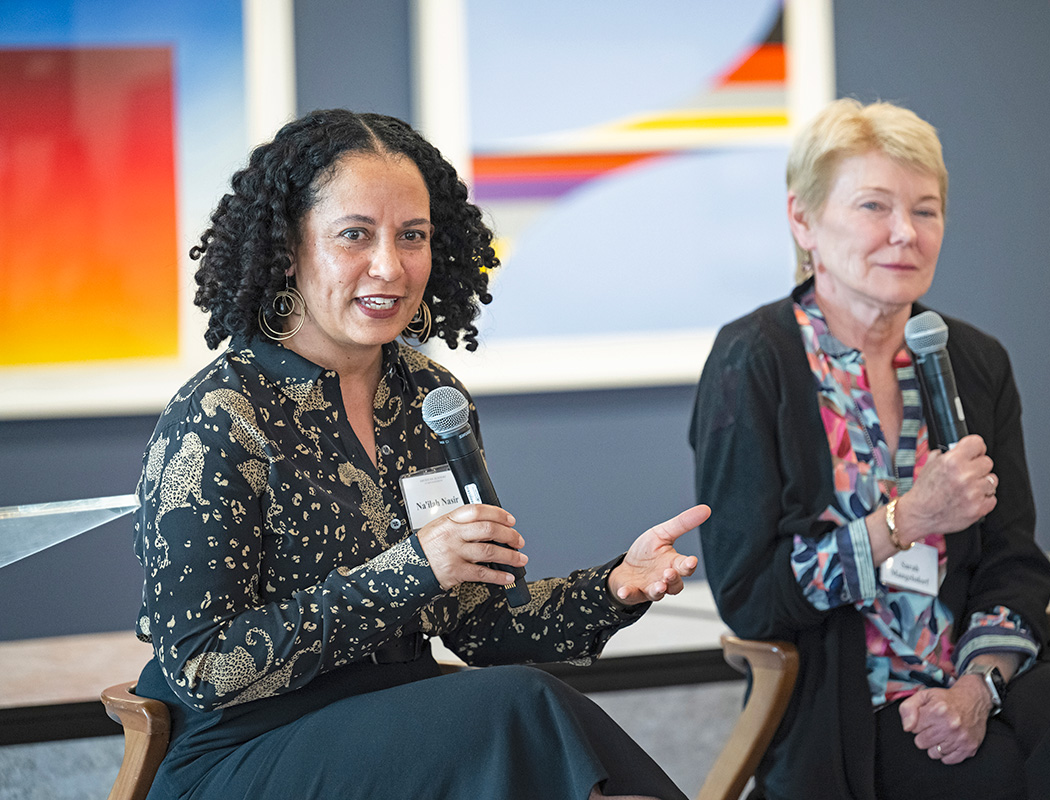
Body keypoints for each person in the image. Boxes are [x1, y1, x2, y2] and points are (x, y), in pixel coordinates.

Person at [131, 108, 710, 800]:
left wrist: (617, 586)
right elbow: (205, 667)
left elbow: (482, 627)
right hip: (249, 750)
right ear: (290, 248)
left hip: (410, 730)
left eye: (413, 237)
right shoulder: (219, 418)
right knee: (519, 708)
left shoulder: (432, 399)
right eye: (355, 235)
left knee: (533, 721)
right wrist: (414, 569)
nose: (390, 266)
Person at [690, 98, 1050, 800]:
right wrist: (903, 522)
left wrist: (977, 690)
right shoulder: (753, 360)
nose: (904, 234)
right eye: (874, 206)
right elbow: (751, 598)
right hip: (851, 715)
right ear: (804, 221)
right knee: (1027, 776)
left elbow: (1014, 563)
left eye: (925, 210)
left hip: (982, 687)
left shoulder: (974, 360)